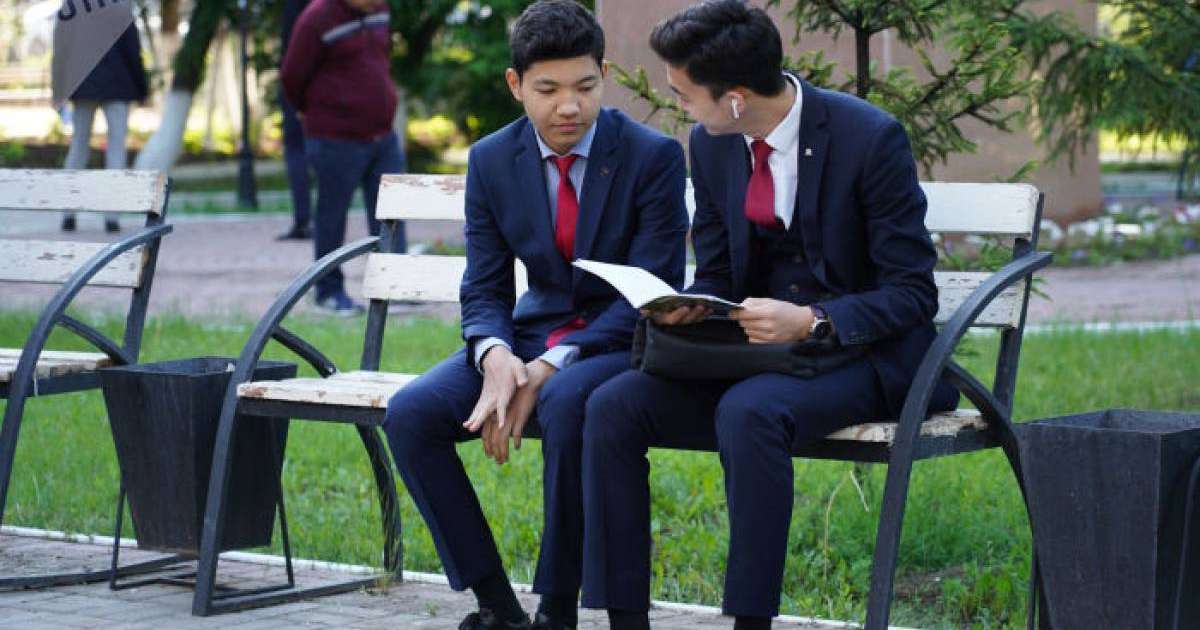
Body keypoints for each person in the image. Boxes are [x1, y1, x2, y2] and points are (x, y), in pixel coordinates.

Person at [579, 2, 959, 629]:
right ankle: (625, 621)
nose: (678, 106)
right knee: (613, 405)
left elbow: (913, 292)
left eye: (683, 94)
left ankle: (750, 622)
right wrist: (692, 303)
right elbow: (719, 271)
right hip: (758, 354)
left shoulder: (869, 138)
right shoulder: (712, 144)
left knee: (750, 412)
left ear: (735, 99)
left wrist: (813, 319)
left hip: (861, 355)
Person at [382, 2, 688, 628]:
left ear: (604, 75)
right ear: (516, 84)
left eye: (585, 86)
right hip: (528, 334)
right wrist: (495, 355)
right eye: (548, 89)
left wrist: (550, 365)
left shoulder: (652, 156)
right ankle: (498, 606)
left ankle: (557, 610)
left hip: (618, 341)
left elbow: (653, 293)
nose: (569, 106)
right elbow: (485, 283)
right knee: (411, 413)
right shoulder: (492, 159)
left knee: (566, 400)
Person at [281, 0, 407, 315]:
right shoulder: (316, 18)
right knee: (331, 216)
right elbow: (291, 77)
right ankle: (328, 292)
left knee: (393, 213)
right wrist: (322, 111)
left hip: (383, 134)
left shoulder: (379, 9)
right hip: (334, 138)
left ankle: (395, 287)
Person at [60, 23, 148, 233]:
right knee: (116, 149)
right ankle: (112, 217)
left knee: (78, 147)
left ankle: (67, 214)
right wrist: (142, 88)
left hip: (83, 84)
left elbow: (63, 49)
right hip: (117, 85)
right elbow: (132, 50)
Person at [277, 0, 313, 241]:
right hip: (324, 85)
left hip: (299, 85)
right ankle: (317, 220)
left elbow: (290, 49)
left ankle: (303, 219)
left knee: (296, 150)